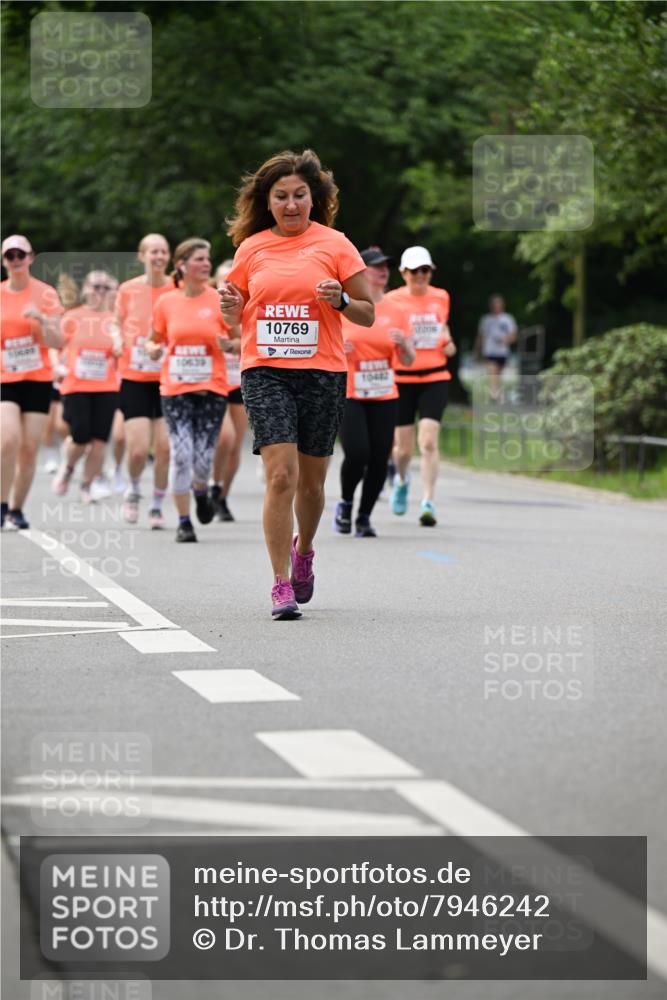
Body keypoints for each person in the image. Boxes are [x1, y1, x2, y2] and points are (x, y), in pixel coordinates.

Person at [219, 148, 374, 619]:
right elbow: (235, 315)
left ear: (314, 198)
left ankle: (304, 549)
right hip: (265, 370)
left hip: (321, 372)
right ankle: (279, 582)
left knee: (311, 484)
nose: (291, 204)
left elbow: (367, 314)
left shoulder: (336, 244)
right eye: (281, 196)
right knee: (280, 475)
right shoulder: (251, 249)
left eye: (299, 195)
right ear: (267, 202)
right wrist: (229, 312)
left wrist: (343, 299)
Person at [146, 238, 234, 543]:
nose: (206, 264)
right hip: (175, 388)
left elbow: (241, 338)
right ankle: (184, 521)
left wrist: (229, 344)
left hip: (212, 388)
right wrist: (153, 349)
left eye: (208, 259)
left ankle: (201, 491)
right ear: (182, 265)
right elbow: (153, 338)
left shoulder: (219, 300)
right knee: (181, 454)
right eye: (199, 259)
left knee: (203, 460)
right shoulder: (166, 303)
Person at [334, 246, 415, 537]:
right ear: (361, 271)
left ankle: (364, 516)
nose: (382, 271)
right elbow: (324, 344)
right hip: (350, 391)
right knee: (357, 452)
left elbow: (408, 360)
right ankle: (344, 503)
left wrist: (405, 344)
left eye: (386, 267)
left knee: (380, 457)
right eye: (376, 266)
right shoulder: (346, 305)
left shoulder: (398, 310)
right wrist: (338, 348)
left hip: (384, 392)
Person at [386, 246, 456, 527]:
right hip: (401, 378)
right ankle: (402, 480)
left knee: (428, 441)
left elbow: (442, 326)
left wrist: (448, 342)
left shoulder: (441, 297)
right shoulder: (391, 301)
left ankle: (428, 501)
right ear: (403, 273)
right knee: (402, 450)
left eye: (425, 270)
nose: (420, 276)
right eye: (414, 271)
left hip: (435, 376)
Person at [1, 234, 64, 529]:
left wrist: (42, 320)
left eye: (20, 255)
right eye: (9, 256)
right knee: (8, 439)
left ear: (30, 258)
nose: (15, 261)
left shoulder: (46, 294)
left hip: (38, 378)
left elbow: (59, 340)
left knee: (28, 447)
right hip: (6, 378)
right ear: (4, 262)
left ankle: (17, 508)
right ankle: (2, 504)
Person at [112, 233, 173, 528]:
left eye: (163, 252)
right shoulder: (127, 290)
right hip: (134, 375)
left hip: (170, 378)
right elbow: (115, 322)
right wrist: (115, 340)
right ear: (142, 256)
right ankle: (134, 488)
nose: (159, 257)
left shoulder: (177, 289)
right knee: (137, 448)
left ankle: (158, 505)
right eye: (153, 252)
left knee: (164, 447)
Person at [52, 271, 120, 502]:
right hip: (76, 385)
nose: (100, 291)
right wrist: (55, 367)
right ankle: (68, 467)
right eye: (95, 286)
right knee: (80, 436)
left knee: (99, 441)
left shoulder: (115, 321)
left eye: (104, 287)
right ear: (85, 290)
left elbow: (122, 352)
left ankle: (86, 485)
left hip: (106, 387)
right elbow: (55, 346)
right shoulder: (72, 317)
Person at [210, 259, 245, 522]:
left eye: (232, 281)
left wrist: (233, 346)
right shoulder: (206, 306)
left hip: (240, 381)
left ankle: (222, 497)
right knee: (225, 438)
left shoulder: (248, 305)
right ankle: (211, 482)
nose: (227, 286)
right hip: (214, 381)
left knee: (235, 446)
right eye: (223, 281)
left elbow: (254, 339)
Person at [475, 294, 517, 400]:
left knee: (498, 375)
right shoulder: (486, 320)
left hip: (502, 352)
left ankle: (497, 395)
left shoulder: (508, 319)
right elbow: (480, 336)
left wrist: (505, 340)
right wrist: (477, 350)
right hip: (489, 351)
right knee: (492, 374)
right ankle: (495, 395)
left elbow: (514, 336)